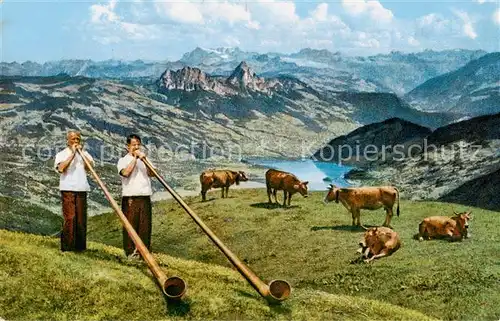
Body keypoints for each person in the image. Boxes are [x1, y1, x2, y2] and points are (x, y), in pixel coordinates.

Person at [54, 130, 94, 252]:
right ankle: (67, 247)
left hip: (82, 189)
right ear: (68, 140)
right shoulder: (62, 154)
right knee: (70, 218)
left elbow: (90, 168)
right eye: (73, 139)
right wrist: (72, 155)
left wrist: (81, 154)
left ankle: (80, 247)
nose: (76, 141)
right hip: (68, 189)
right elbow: (61, 168)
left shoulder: (84, 154)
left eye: (78, 139)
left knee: (81, 219)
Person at [117, 134, 155, 258]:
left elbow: (152, 173)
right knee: (131, 226)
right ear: (128, 146)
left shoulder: (144, 159)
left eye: (138, 144)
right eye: (134, 145)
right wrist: (134, 159)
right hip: (130, 198)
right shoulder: (123, 160)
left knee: (145, 226)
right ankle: (130, 253)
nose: (137, 147)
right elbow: (126, 173)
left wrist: (145, 160)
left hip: (144, 196)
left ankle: (144, 254)